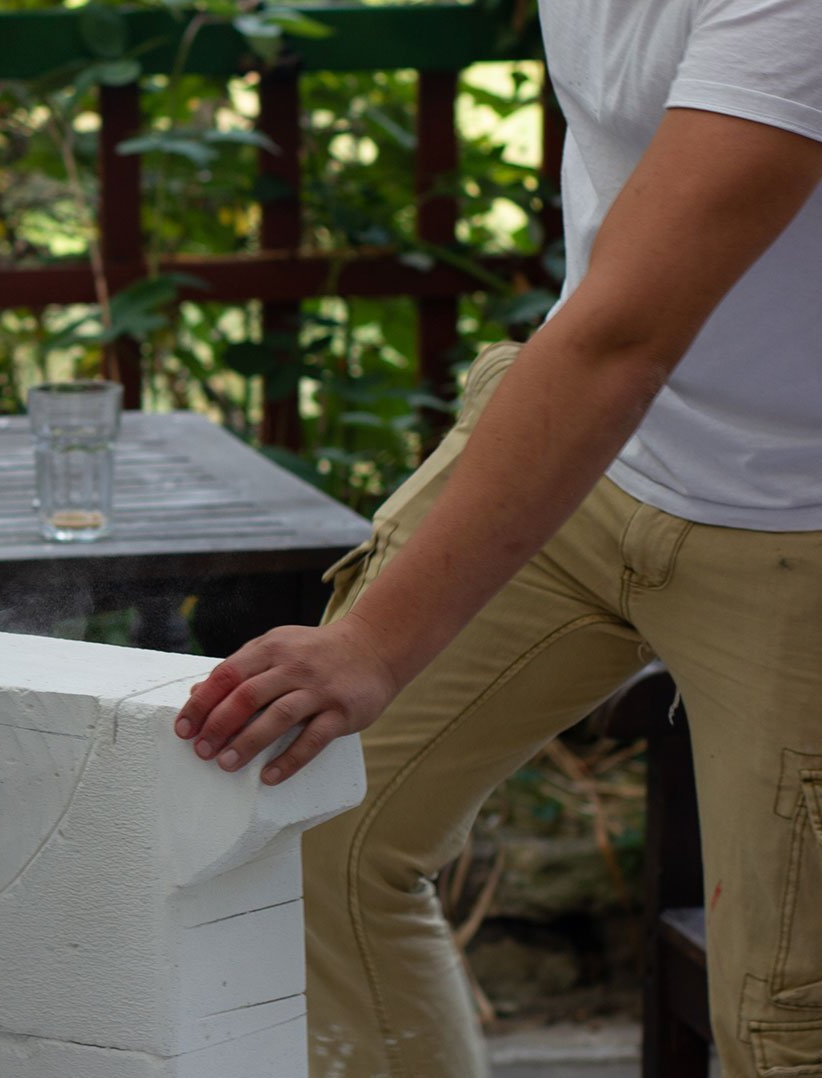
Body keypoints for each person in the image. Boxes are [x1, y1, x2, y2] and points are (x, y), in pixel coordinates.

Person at [175, 1, 822, 1075]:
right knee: (306, 825)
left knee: (788, 1025)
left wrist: (375, 645)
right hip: (581, 458)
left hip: (796, 526)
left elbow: (623, 338)